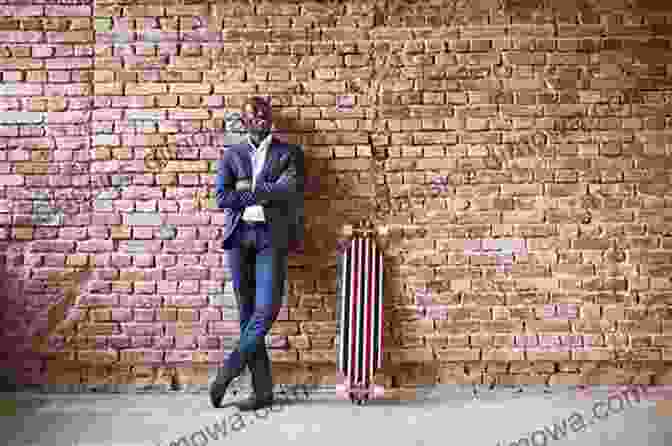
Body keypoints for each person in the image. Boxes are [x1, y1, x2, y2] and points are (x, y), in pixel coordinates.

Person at [209, 96, 303, 411]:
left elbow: (290, 189)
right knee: (247, 314)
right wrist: (265, 190)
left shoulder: (288, 153)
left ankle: (229, 369)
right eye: (254, 115)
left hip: (269, 239)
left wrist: (247, 190)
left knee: (268, 308)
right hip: (239, 240)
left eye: (265, 114)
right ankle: (262, 391)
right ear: (244, 122)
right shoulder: (232, 154)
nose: (261, 119)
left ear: (271, 119)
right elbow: (222, 197)